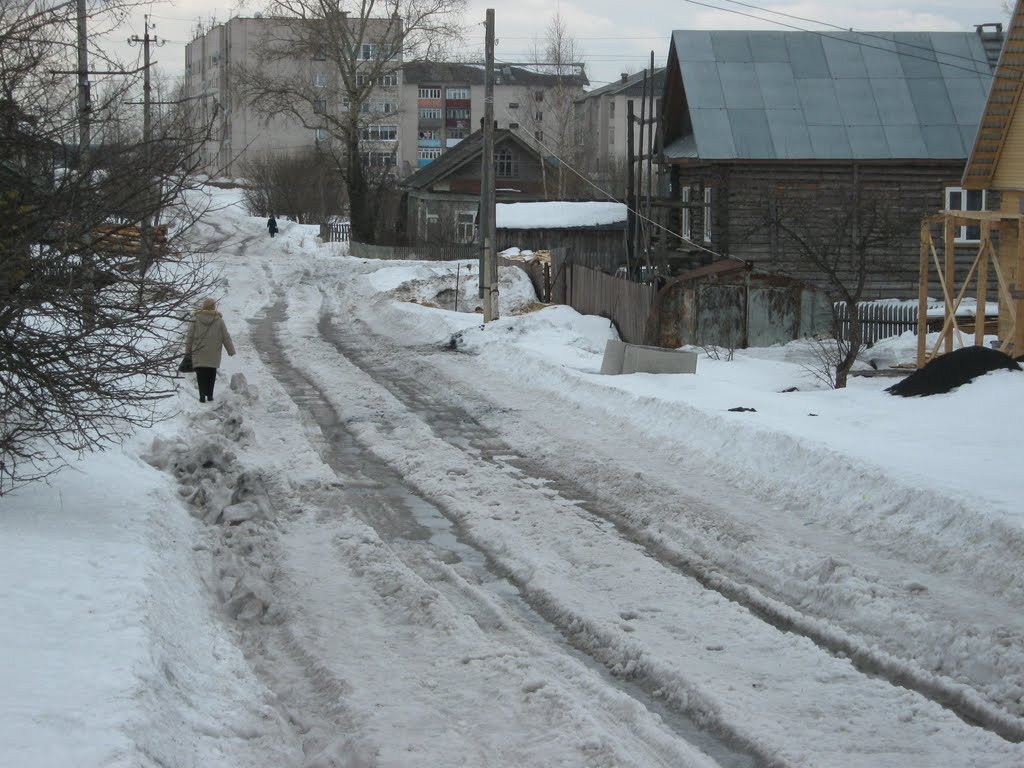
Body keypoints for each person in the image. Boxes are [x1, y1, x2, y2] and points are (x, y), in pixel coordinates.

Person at [185, 297, 236, 403]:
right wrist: (230, 350)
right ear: (213, 307)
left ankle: (202, 394)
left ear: (203, 307)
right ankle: (210, 395)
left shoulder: (195, 319)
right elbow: (225, 337)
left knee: (201, 374)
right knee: (211, 374)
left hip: (199, 351)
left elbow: (189, 336)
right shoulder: (219, 321)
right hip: (213, 352)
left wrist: (188, 350)